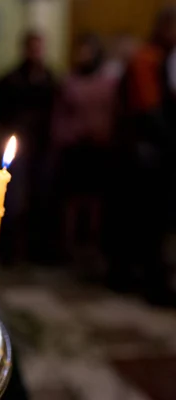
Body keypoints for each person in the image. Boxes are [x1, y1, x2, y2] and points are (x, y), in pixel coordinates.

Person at [105, 7, 176, 305]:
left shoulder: (160, 58)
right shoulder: (146, 59)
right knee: (144, 221)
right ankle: (146, 283)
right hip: (141, 154)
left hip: (149, 151)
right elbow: (148, 111)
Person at [51, 34, 117, 271]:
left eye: (88, 50)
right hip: (75, 148)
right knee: (73, 200)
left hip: (100, 147)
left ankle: (94, 246)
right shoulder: (69, 81)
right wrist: (64, 138)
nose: (83, 55)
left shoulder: (109, 81)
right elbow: (61, 115)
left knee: (96, 201)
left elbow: (113, 111)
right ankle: (70, 247)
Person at [0, 31, 56, 264]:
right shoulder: (10, 80)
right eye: (32, 48)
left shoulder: (49, 78)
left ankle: (36, 251)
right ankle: (8, 252)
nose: (36, 53)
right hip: (19, 147)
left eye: (39, 48)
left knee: (40, 197)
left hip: (41, 148)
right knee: (11, 199)